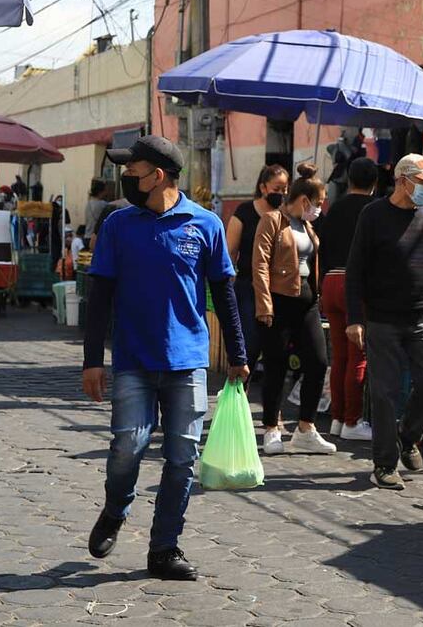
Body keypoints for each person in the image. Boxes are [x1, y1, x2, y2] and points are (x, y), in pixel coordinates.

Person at [81, 135, 249, 581]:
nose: (126, 178)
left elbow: (224, 293)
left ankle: (164, 549)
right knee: (127, 446)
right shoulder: (119, 224)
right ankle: (115, 510)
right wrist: (92, 359)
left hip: (188, 361)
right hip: (134, 359)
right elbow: (99, 295)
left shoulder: (206, 224)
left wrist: (238, 353)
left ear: (157, 176)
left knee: (181, 459)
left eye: (132, 171)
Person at [345, 154, 423, 490]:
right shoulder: (373, 215)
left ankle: (409, 437)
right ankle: (385, 465)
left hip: (422, 317)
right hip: (383, 319)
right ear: (403, 180)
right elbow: (356, 269)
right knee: (385, 393)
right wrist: (355, 319)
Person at [252, 164, 335, 456]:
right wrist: (264, 304)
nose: (319, 209)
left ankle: (305, 428)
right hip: (278, 301)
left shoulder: (308, 227)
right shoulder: (272, 221)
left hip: (307, 302)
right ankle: (271, 428)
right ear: (304, 200)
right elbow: (260, 264)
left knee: (318, 361)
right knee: (276, 365)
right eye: (319, 203)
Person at [317, 157, 378, 440]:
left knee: (339, 355)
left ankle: (337, 419)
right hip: (355, 285)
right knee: (358, 357)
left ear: (349, 180)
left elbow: (323, 247)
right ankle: (352, 421)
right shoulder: (374, 210)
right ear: (375, 184)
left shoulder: (335, 208)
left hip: (329, 281)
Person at [227, 164, 289, 381]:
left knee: (275, 348)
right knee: (249, 344)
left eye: (285, 189)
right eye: (277, 188)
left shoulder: (284, 216)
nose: (281, 194)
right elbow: (230, 251)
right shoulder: (244, 212)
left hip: (277, 287)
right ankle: (238, 394)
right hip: (247, 286)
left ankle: (272, 409)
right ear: (263, 187)